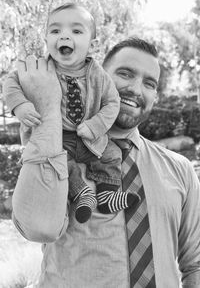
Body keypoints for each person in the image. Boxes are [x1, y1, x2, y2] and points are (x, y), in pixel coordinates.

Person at [5, 37, 200, 288]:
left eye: (149, 83)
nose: (136, 89)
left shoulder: (180, 169)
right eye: (125, 73)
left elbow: (195, 263)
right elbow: (38, 227)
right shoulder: (56, 154)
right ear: (96, 80)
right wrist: (47, 111)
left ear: (155, 96)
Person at [3, 3, 139, 224]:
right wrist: (20, 105)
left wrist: (96, 125)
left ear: (91, 44)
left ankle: (106, 195)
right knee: (60, 163)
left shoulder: (99, 76)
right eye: (55, 31)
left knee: (112, 153)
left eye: (76, 31)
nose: (64, 36)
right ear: (46, 39)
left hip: (88, 138)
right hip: (56, 139)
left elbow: (112, 102)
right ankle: (81, 193)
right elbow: (11, 81)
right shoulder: (40, 68)